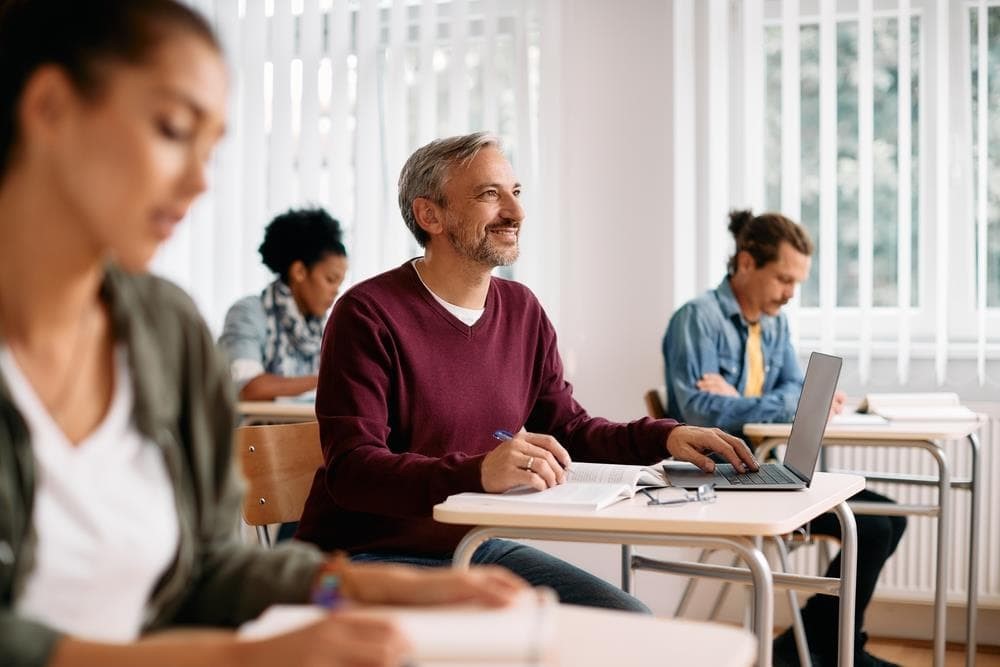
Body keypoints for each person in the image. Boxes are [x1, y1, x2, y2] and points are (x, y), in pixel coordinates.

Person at [0, 2, 525, 666]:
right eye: (171, 129)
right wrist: (231, 658)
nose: (198, 181)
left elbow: (211, 568)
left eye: (211, 149)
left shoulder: (165, 328)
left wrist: (352, 584)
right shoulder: (346, 315)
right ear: (48, 108)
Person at [295, 132, 759, 614]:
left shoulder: (522, 310)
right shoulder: (367, 314)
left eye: (515, 193)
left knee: (626, 619)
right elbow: (352, 470)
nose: (516, 213)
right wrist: (479, 471)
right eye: (489, 195)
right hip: (365, 557)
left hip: (471, 545)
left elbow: (569, 429)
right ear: (429, 215)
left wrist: (667, 437)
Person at [663, 210, 907, 667]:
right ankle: (833, 648)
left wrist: (741, 398)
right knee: (871, 526)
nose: (791, 293)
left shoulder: (773, 323)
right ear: (746, 263)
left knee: (889, 519)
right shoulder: (697, 319)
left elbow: (794, 388)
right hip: (718, 479)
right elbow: (696, 412)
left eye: (797, 281)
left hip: (762, 469)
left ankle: (816, 645)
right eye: (783, 278)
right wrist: (773, 403)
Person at [219, 207, 348, 401]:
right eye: (330, 279)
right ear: (299, 272)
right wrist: (329, 380)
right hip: (255, 430)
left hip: (305, 429)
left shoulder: (323, 328)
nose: (336, 291)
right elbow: (248, 386)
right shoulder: (248, 313)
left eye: (340, 283)